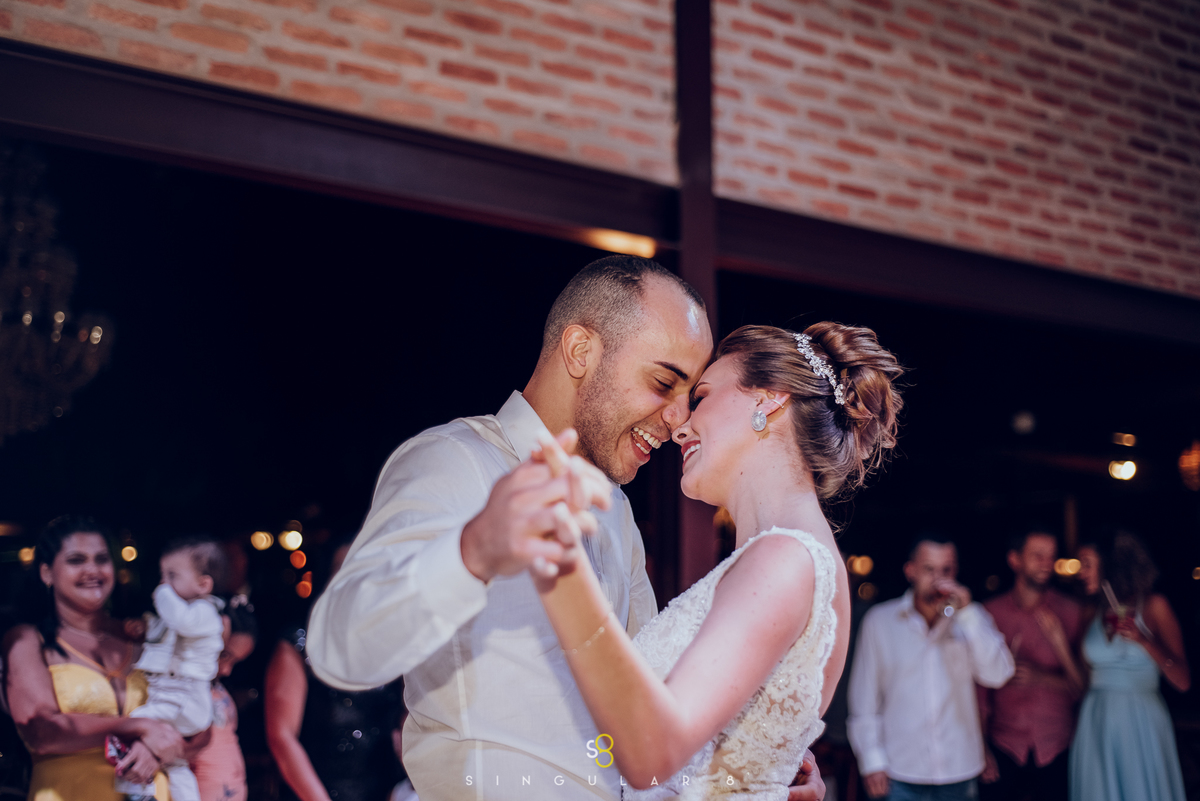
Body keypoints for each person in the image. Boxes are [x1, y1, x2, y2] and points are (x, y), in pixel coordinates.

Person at [306, 256, 825, 800]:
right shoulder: (453, 461)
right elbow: (339, 651)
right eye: (662, 382)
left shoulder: (616, 512)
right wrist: (473, 551)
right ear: (580, 351)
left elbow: (641, 722)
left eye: (689, 395)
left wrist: (748, 779)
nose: (679, 419)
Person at [530, 321, 904, 796]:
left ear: (769, 399)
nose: (680, 426)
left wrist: (560, 565)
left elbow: (651, 752)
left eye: (702, 396)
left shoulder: (784, 560)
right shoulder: (789, 558)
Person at [1, 515, 205, 801]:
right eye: (76, 560)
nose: (92, 570)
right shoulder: (28, 641)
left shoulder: (141, 636)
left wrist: (153, 749)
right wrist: (138, 727)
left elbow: (200, 727)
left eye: (101, 559)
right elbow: (41, 731)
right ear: (47, 573)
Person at [847, 535, 1015, 801]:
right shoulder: (879, 622)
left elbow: (998, 675)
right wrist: (872, 761)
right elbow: (864, 699)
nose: (938, 580)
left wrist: (967, 613)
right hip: (899, 771)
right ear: (910, 571)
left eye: (946, 570)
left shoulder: (972, 618)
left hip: (960, 769)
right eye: (929, 569)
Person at [266, 539, 408, 801]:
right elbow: (282, 737)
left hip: (384, 792)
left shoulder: (395, 642)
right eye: (344, 571)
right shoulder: (299, 643)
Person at [1069, 532, 1189, 801]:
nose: (1081, 573)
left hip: (1140, 719)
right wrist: (1058, 644)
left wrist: (1144, 641)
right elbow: (1081, 681)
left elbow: (1183, 681)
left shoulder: (1154, 606)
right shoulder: (1090, 613)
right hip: (1095, 718)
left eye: (1087, 564)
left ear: (1110, 564)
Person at [979, 528, 1084, 801]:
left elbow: (1085, 689)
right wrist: (981, 747)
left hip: (1058, 746)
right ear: (1014, 560)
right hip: (1003, 745)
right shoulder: (989, 614)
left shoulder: (1072, 611)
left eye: (1051, 556)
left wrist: (1042, 676)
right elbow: (978, 692)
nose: (1047, 564)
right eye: (1038, 556)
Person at [127, 536, 227, 801]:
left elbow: (181, 621)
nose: (164, 583)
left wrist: (161, 593)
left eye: (172, 576)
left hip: (185, 699)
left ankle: (137, 789)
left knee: (134, 721)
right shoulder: (178, 615)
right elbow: (165, 634)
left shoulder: (204, 612)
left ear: (203, 584)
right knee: (175, 763)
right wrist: (144, 628)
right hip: (174, 697)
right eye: (162, 576)